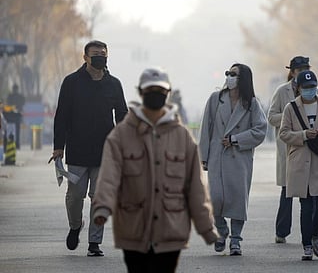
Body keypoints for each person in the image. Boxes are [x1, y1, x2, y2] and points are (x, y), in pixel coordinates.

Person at [92, 68, 217, 273]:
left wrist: (206, 227)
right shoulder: (122, 135)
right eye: (151, 90)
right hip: (133, 228)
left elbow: (196, 187)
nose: (155, 95)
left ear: (167, 94)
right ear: (141, 93)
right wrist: (102, 207)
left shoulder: (182, 136)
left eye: (160, 90)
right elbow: (109, 176)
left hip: (171, 228)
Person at [49, 40, 128, 257]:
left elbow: (122, 114)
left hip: (105, 151)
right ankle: (75, 226)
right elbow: (62, 115)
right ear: (85, 57)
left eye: (103, 54)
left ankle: (95, 242)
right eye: (95, 54)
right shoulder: (72, 82)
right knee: (75, 197)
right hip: (77, 149)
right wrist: (58, 147)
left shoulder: (114, 84)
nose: (100, 57)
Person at [199, 63, 267, 256]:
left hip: (240, 158)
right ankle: (221, 231)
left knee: (237, 199)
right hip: (217, 156)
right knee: (215, 198)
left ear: (243, 78)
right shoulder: (216, 99)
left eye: (234, 74)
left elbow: (260, 130)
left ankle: (236, 240)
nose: (229, 77)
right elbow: (206, 129)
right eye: (228, 73)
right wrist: (203, 157)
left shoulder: (252, 103)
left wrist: (237, 139)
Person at [279, 70, 318, 260]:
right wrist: (303, 135)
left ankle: (315, 237)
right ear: (298, 88)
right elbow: (284, 133)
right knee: (306, 206)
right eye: (305, 88)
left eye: (312, 87)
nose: (309, 91)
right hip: (300, 162)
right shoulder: (290, 108)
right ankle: (306, 244)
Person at [267, 55, 318, 244]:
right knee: (287, 191)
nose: (303, 73)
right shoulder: (282, 91)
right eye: (299, 70)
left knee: (309, 192)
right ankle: (282, 231)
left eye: (306, 69)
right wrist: (289, 117)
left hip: (310, 147)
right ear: (292, 72)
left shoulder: (316, 91)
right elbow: (271, 116)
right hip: (289, 147)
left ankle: (309, 234)